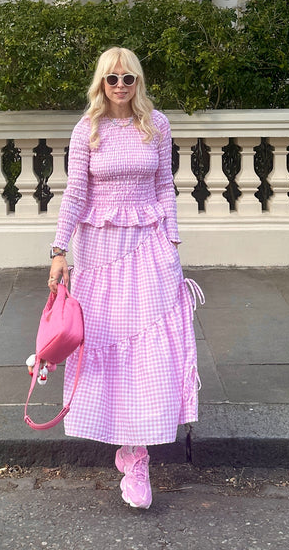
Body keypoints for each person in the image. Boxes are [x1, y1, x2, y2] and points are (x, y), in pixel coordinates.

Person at [47, 46, 203, 510]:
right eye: (112, 79)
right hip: (99, 250)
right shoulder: (86, 129)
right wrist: (58, 252)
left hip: (150, 243)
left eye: (128, 79)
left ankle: (138, 455)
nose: (119, 86)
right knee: (110, 340)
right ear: (101, 82)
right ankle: (125, 441)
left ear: (139, 83)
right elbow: (75, 192)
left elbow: (163, 187)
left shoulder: (156, 125)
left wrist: (173, 242)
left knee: (151, 344)